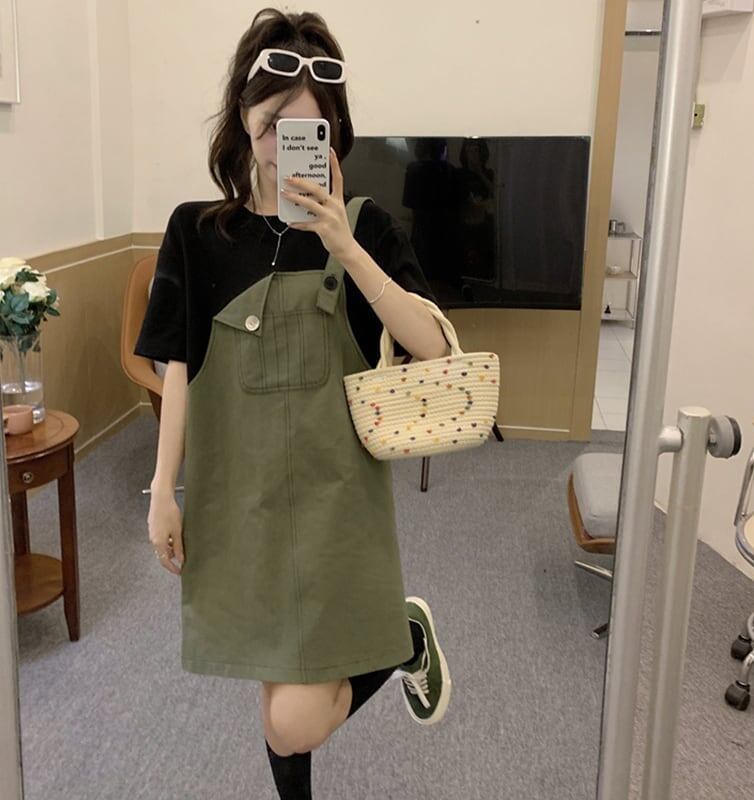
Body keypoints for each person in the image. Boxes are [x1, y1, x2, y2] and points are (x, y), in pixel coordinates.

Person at [133, 8, 452, 799]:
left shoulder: (367, 226)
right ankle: (395, 642)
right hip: (238, 503)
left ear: (333, 136)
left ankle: (398, 640)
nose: (286, 146)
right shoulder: (196, 232)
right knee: (280, 697)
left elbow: (433, 350)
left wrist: (345, 244)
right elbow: (180, 367)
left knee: (293, 720)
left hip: (336, 505)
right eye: (273, 124)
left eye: (308, 130)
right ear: (243, 120)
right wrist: (162, 489)